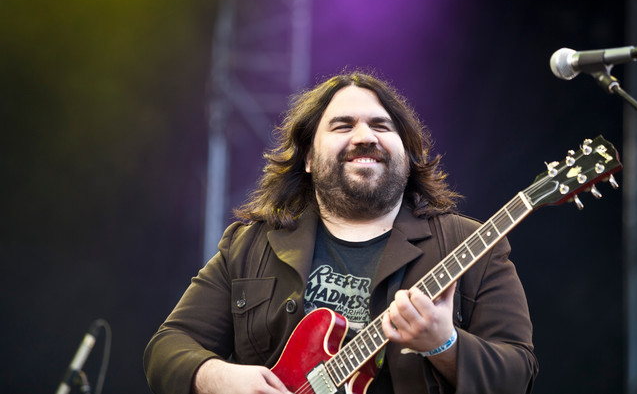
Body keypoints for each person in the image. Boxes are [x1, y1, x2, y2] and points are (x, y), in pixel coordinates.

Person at [144, 71, 538, 394]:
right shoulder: (249, 244)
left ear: (406, 153)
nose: (364, 136)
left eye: (381, 126)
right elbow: (166, 348)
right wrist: (218, 376)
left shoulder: (470, 244)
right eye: (342, 125)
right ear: (310, 159)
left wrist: (444, 343)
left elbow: (517, 374)